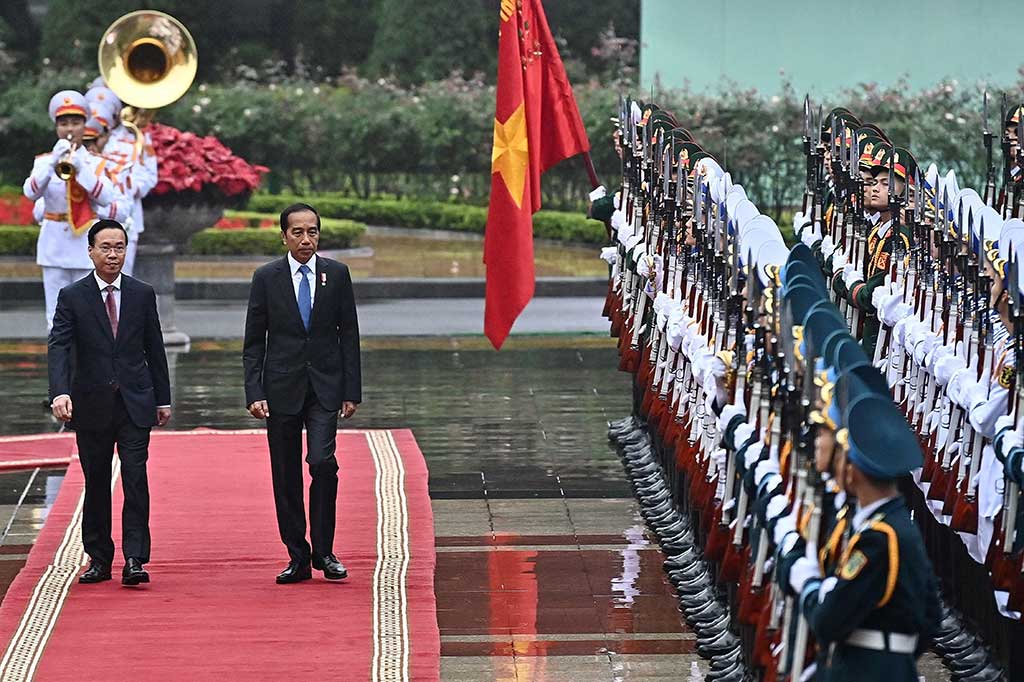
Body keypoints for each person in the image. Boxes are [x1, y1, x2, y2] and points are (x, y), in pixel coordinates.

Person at [242, 203, 362, 584]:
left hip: (325, 386)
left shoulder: (337, 274)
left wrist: (351, 390)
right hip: (281, 387)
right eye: (298, 232)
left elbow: (350, 335)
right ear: (284, 236)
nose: (306, 239)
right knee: (285, 472)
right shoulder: (266, 277)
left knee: (323, 462)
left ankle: (324, 551)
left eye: (312, 231)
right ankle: (297, 554)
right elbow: (253, 341)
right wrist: (254, 390)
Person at [47, 219, 171, 586]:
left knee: (135, 479)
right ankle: (99, 558)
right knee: (97, 481)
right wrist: (60, 391)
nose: (113, 254)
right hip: (91, 403)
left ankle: (135, 559)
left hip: (135, 402)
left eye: (119, 247)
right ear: (90, 251)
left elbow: (155, 348)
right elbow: (59, 347)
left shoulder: (142, 293)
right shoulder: (73, 296)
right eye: (106, 247)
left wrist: (162, 399)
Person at [23, 90, 117, 330]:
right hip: (54, 245)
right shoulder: (44, 161)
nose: (69, 129)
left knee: (89, 315)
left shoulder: (94, 163)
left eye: (75, 123)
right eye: (64, 123)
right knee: (56, 316)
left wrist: (82, 170)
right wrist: (52, 163)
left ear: (85, 125)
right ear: (56, 127)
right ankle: (60, 366)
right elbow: (30, 192)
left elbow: (107, 198)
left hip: (84, 245)